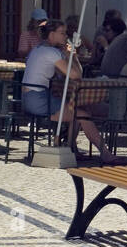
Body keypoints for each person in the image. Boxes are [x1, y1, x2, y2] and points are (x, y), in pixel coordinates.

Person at [21, 20, 118, 163]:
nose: (65, 36)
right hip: (39, 99)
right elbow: (76, 75)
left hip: (29, 97)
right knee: (83, 114)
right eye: (62, 33)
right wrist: (71, 56)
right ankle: (105, 153)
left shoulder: (38, 48)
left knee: (78, 110)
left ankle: (71, 147)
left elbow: (64, 75)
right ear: (52, 34)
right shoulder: (52, 52)